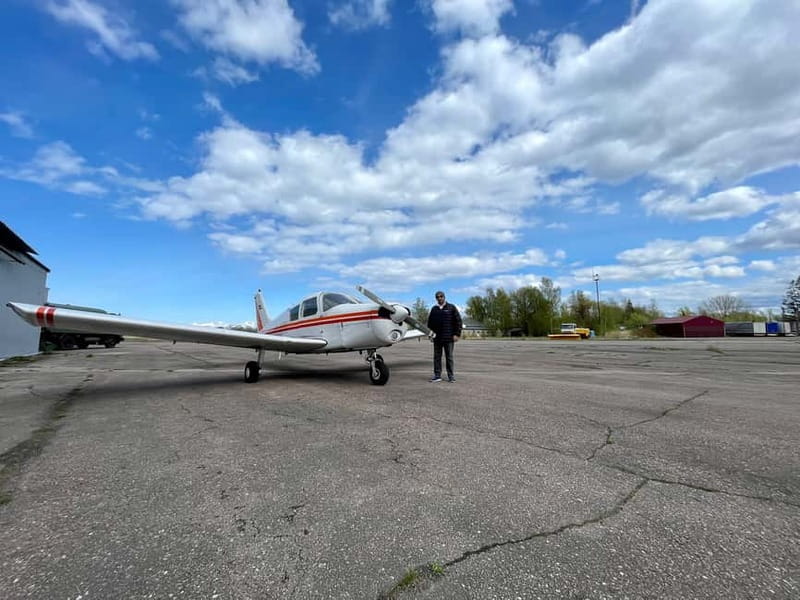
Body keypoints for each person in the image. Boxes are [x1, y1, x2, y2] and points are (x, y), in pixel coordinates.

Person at [426, 290, 462, 382]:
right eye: (437, 297)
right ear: (436, 298)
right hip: (437, 338)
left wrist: (457, 334)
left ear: (444, 297)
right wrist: (430, 335)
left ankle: (451, 376)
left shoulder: (451, 307)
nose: (439, 298)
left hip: (449, 338)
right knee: (437, 357)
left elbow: (458, 321)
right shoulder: (434, 309)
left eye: (441, 296)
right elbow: (430, 323)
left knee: (449, 357)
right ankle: (437, 376)